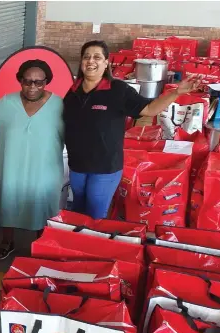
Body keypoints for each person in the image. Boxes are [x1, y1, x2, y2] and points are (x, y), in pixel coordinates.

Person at [63, 40, 201, 220]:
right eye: (86, 57)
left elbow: (150, 109)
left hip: (104, 167)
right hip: (77, 166)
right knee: (77, 212)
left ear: (106, 63)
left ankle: (92, 245)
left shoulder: (118, 90)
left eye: (97, 57)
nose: (91, 61)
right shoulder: (72, 91)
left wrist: (176, 93)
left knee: (95, 217)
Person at [0, 59, 65, 260]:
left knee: (43, 205)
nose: (32, 87)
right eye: (27, 81)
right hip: (11, 167)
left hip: (45, 169)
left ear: (46, 82)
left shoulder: (59, 105)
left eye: (38, 82)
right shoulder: (7, 102)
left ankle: (42, 244)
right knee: (9, 203)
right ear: (20, 81)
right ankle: (8, 241)